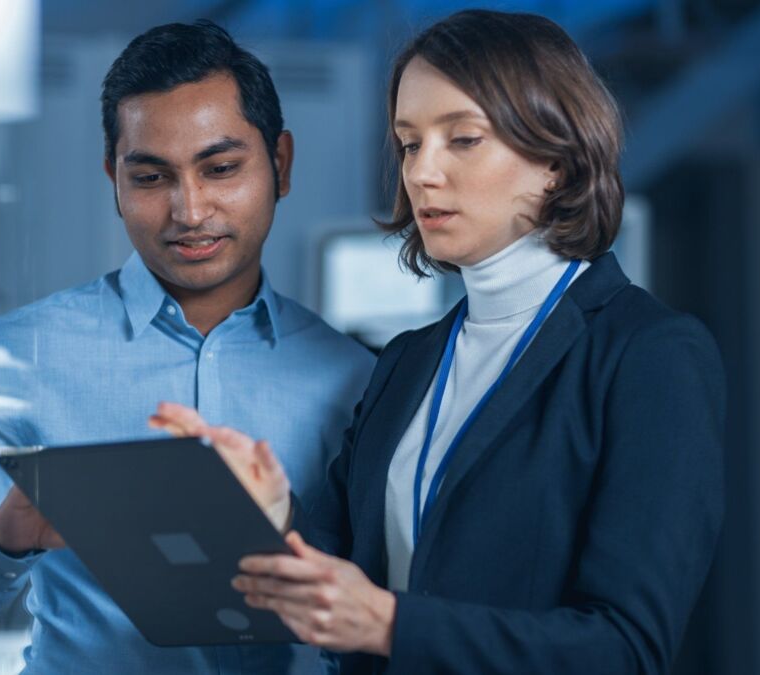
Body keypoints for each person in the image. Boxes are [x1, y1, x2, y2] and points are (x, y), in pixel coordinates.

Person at [153, 9, 725, 674]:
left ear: (557, 161)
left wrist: (393, 623)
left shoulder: (647, 355)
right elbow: (338, 586)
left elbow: (626, 648)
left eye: (462, 139)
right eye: (408, 143)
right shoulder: (408, 362)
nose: (422, 173)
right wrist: (268, 507)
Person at [0, 20, 376, 675]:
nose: (189, 210)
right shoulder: (22, 354)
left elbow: (392, 611)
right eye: (151, 177)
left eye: (221, 168)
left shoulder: (357, 380)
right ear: (114, 177)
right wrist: (9, 534)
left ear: (279, 164)